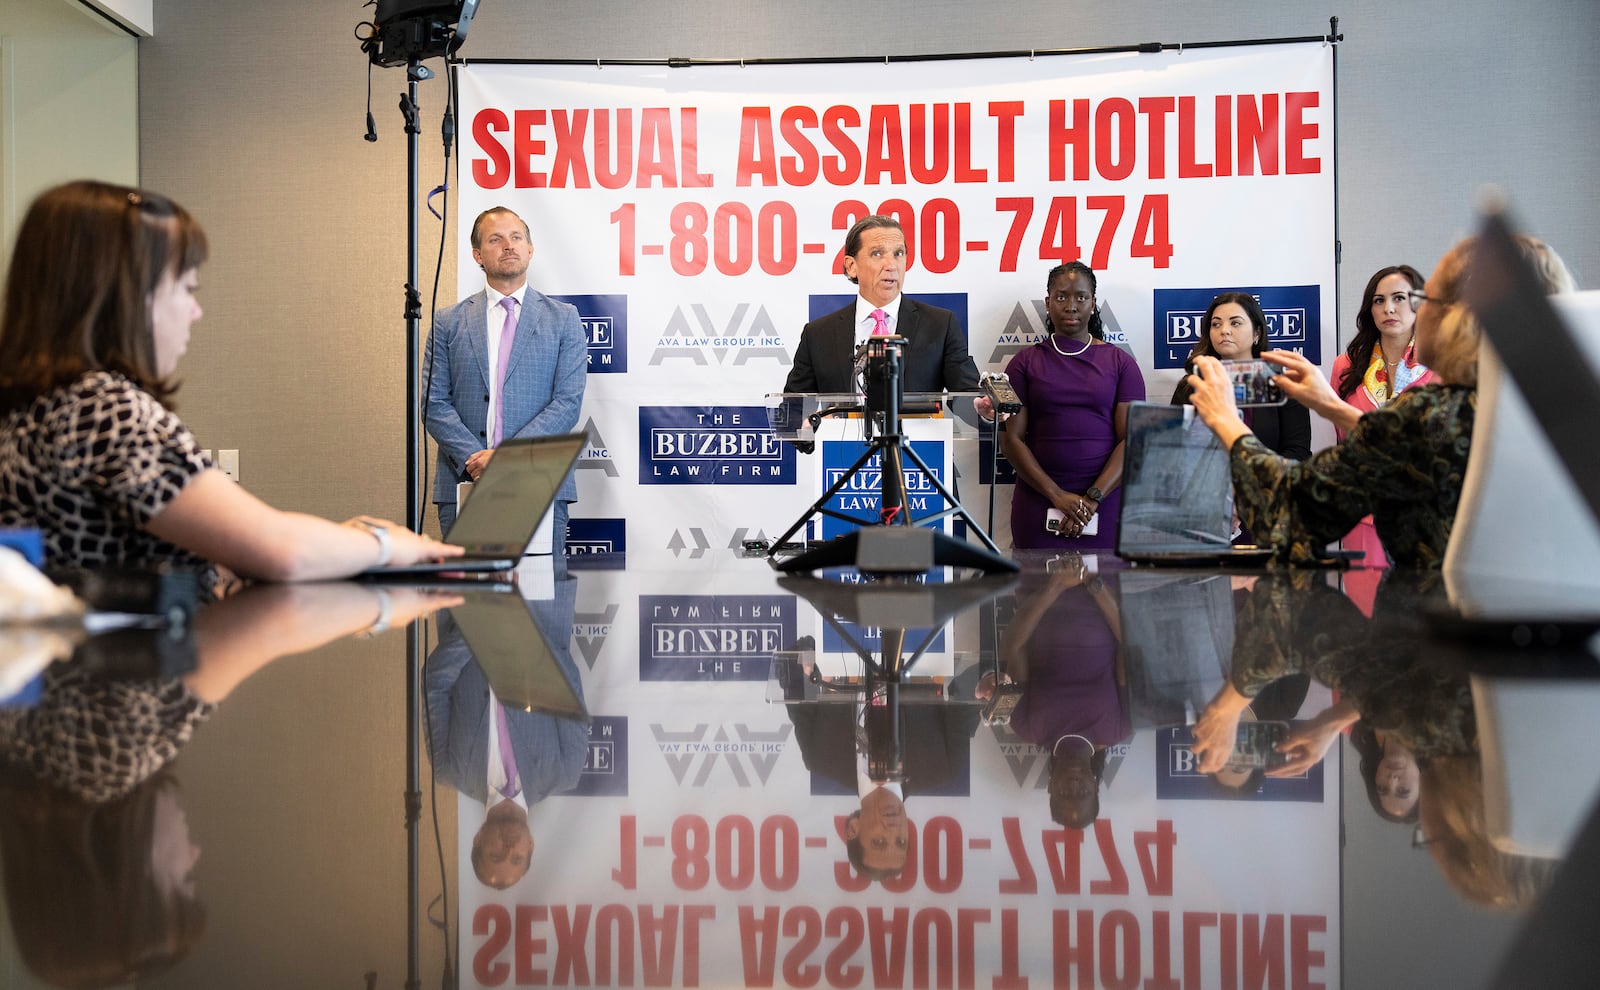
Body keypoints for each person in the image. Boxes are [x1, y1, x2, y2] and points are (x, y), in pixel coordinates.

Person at [0, 181, 460, 590]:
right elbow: (280, 549)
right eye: (186, 288)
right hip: (124, 681)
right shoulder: (102, 410)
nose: (195, 312)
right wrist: (386, 543)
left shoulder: (32, 406)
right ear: (127, 297)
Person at [1185, 234, 1574, 566]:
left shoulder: (1438, 409)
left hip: (1438, 636)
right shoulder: (1534, 405)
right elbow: (1411, 450)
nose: (1400, 311)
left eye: (1424, 299)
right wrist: (1333, 407)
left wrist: (1226, 421)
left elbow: (1291, 512)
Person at [424, 206, 588, 540]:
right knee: (465, 592)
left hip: (539, 482)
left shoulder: (564, 319)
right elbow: (433, 403)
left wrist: (505, 459)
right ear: (477, 255)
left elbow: (567, 403)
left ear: (530, 249)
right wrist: (476, 459)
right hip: (464, 481)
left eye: (516, 237)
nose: (508, 246)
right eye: (495, 239)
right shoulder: (447, 322)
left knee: (543, 591)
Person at [999, 262, 1146, 549]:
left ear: (1093, 304)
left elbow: (1132, 440)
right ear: (1048, 302)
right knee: (1036, 590)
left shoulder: (1121, 364)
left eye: (1081, 297)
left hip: (1106, 501)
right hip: (1038, 498)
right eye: (1061, 296)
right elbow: (1011, 440)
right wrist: (1056, 495)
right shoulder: (1023, 364)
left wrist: (1091, 500)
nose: (1071, 305)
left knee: (1104, 588)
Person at [782, 215, 980, 396]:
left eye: (898, 253)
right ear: (851, 266)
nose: (891, 265)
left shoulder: (940, 325)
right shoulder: (817, 334)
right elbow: (794, 408)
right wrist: (806, 423)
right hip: (842, 436)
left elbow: (969, 396)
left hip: (914, 436)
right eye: (877, 254)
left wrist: (985, 409)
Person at [1170, 292, 1311, 460]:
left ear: (1257, 333)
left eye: (1235, 323)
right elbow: (1173, 447)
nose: (1224, 331)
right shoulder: (1192, 385)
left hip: (1266, 484)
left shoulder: (1284, 385)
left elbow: (1297, 452)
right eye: (1216, 324)